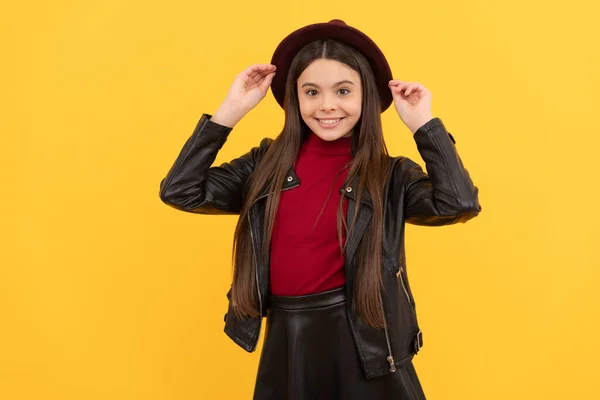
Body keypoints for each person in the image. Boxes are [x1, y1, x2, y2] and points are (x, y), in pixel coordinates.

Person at [159, 19, 481, 400]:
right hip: (289, 339)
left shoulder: (389, 175)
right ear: (295, 98)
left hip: (364, 344)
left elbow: (458, 203)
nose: (327, 105)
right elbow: (180, 191)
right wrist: (231, 110)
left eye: (343, 90)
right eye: (311, 91)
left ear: (368, 97)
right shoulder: (265, 166)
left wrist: (424, 125)